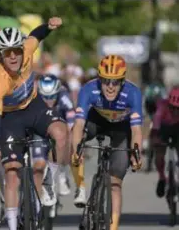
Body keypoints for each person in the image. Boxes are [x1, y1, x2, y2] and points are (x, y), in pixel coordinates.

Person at [0, 17, 70, 230]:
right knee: (12, 172)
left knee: (61, 134)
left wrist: (49, 27)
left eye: (16, 50)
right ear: (1, 55)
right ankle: (14, 225)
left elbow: (37, 35)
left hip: (34, 106)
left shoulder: (27, 49)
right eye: (7, 53)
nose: (13, 56)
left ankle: (51, 181)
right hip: (10, 117)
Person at [72, 55, 143, 230]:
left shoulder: (133, 93)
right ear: (99, 79)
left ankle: (113, 227)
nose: (110, 87)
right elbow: (79, 124)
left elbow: (136, 130)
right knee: (74, 137)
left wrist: (136, 154)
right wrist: (75, 151)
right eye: (106, 81)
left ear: (122, 81)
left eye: (115, 82)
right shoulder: (88, 89)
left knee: (115, 182)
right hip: (97, 122)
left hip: (121, 129)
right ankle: (80, 187)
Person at [33, 74, 75, 205]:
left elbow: (71, 121)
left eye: (52, 97)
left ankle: (62, 172)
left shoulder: (64, 97)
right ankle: (37, 199)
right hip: (41, 131)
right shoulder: (34, 98)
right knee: (38, 166)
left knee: (67, 139)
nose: (48, 101)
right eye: (45, 97)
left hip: (60, 128)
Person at [150, 86, 179, 198]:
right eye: (173, 108)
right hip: (163, 128)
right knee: (159, 154)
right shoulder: (162, 105)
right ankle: (162, 178)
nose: (176, 111)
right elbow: (156, 121)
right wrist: (155, 138)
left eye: (178, 109)